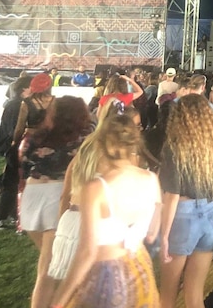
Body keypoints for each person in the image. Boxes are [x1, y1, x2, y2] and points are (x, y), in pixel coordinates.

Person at [49, 114, 162, 308]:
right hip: (140, 268)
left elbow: (87, 251)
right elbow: (152, 234)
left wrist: (58, 301)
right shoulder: (151, 179)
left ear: (102, 145)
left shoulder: (97, 188)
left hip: (105, 275)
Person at [158, 94, 213, 308]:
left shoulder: (175, 148)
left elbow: (171, 196)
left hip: (181, 217)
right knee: (195, 294)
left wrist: (163, 235)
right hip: (208, 216)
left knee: (168, 296)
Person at [20, 96, 94, 308]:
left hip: (32, 197)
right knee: (49, 270)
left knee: (54, 263)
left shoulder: (32, 137)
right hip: (59, 195)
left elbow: (23, 166)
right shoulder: (85, 137)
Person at [0, 75, 32, 229]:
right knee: (12, 182)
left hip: (14, 147)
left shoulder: (17, 103)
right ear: (25, 88)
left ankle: (9, 215)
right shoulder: (17, 105)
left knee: (13, 180)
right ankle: (1, 217)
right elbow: (13, 130)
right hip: (14, 148)